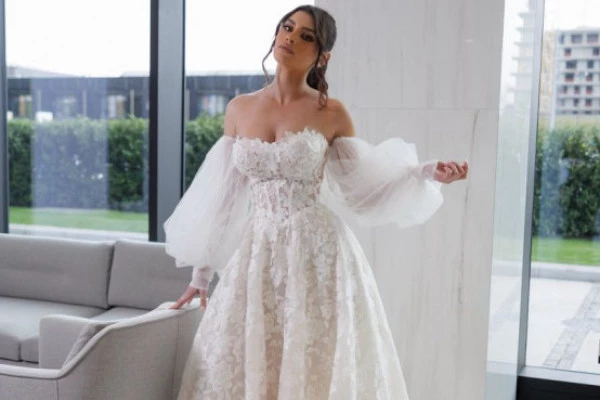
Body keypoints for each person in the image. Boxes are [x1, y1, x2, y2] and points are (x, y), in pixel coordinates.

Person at [165, 4, 468, 400]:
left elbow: (362, 186)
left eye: (305, 36)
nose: (290, 37)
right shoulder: (239, 108)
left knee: (312, 359)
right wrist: (201, 276)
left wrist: (424, 172)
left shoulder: (331, 113)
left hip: (317, 253)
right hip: (258, 252)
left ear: (322, 56)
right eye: (287, 27)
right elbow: (225, 196)